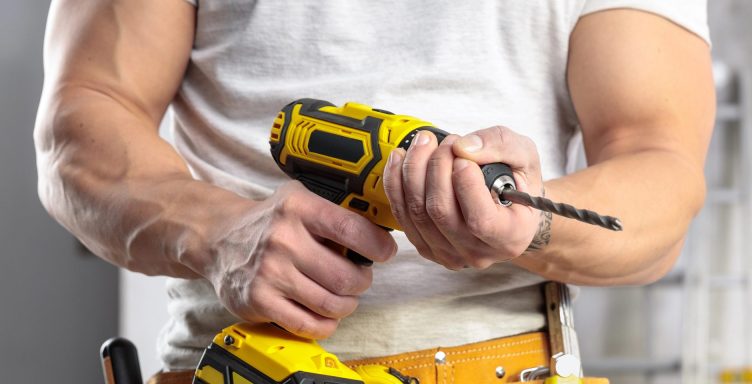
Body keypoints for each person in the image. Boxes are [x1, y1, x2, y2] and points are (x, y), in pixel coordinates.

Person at [35, 0, 714, 382]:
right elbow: (82, 122)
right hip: (238, 368)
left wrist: (528, 228)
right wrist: (217, 232)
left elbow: (658, 166)